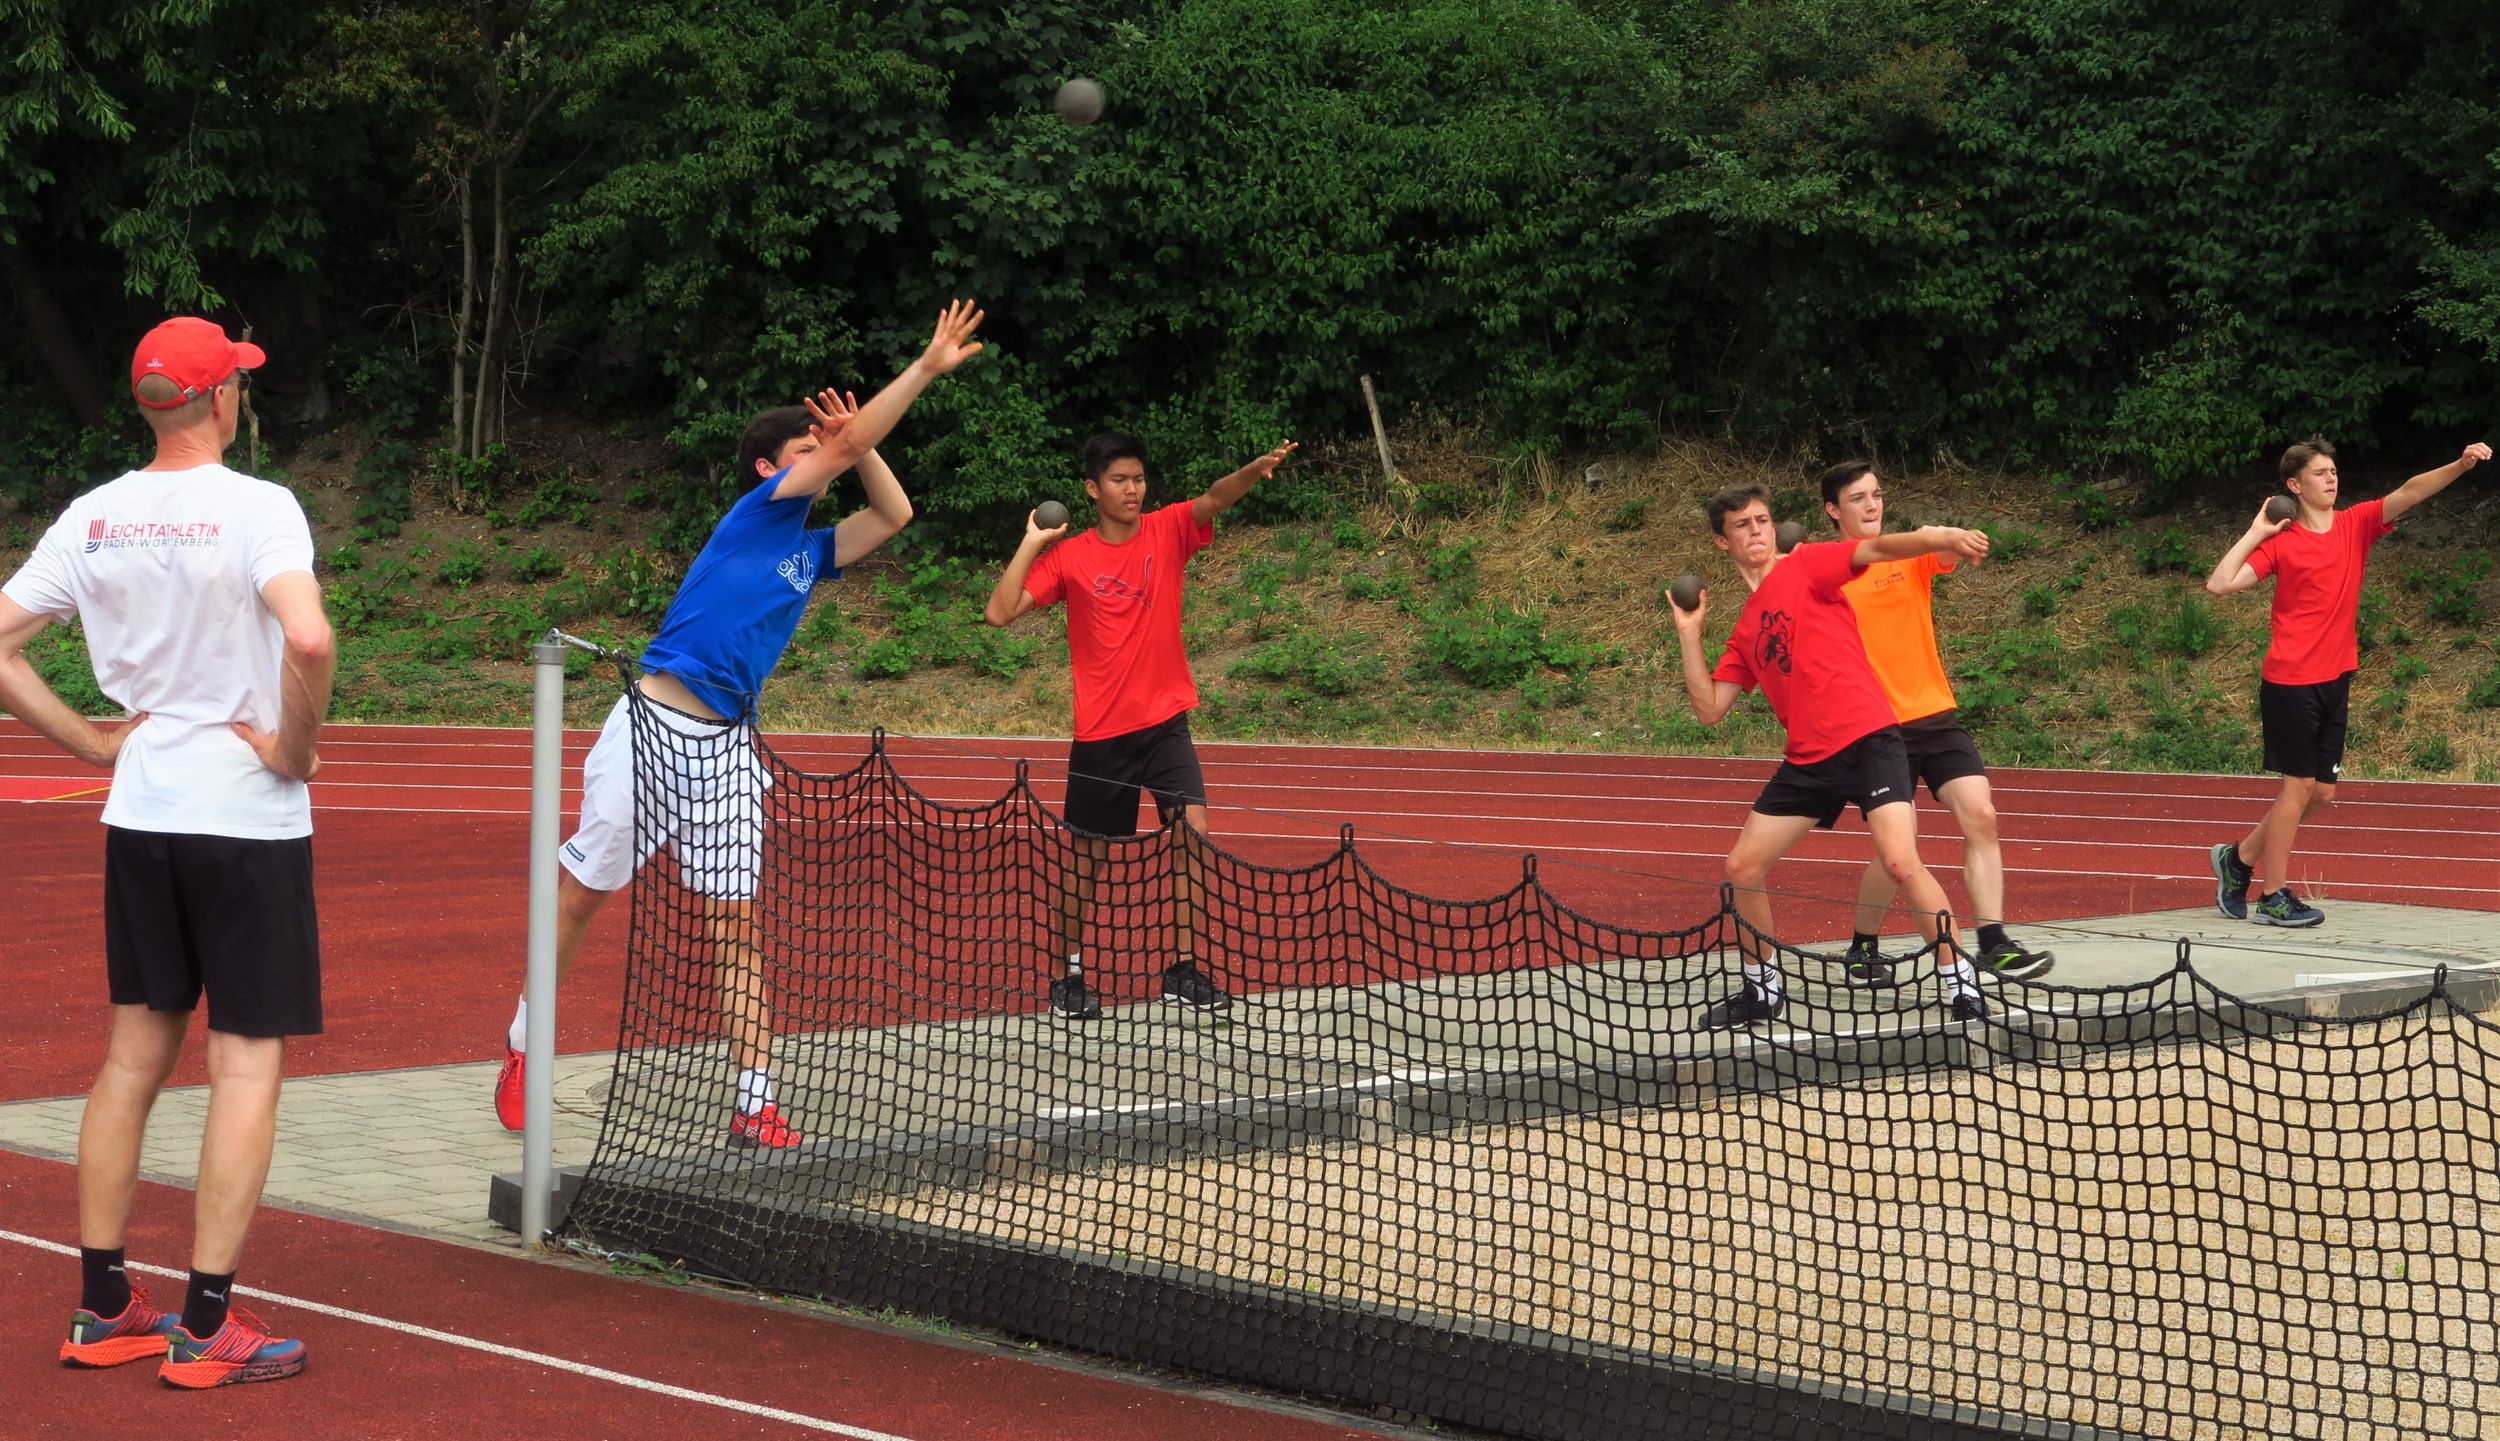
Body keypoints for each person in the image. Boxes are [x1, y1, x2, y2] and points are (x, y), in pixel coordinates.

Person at [492, 300, 987, 1144]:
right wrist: (921, 370)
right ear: (769, 468)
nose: (824, 456)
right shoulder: (756, 514)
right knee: (579, 901)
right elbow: (840, 451)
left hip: (727, 751)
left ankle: (756, 1101)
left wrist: (859, 445)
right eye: (808, 449)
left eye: (825, 448)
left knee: (738, 927)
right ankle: (524, 1045)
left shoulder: (811, 549)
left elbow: (894, 516)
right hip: (651, 730)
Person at [1, 317, 332, 1387]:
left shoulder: (93, 516)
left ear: (149, 404)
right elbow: (311, 637)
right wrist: (296, 750)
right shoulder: (259, 507)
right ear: (221, 398)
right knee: (245, 1063)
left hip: (143, 813)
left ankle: (104, 1305)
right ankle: (206, 1324)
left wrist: (91, 741)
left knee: (130, 1059)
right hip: (245, 819)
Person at [982, 432, 1297, 1020]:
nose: (1133, 489)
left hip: (1166, 723)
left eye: (1139, 478)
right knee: (1087, 861)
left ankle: (1182, 969)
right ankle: (1067, 976)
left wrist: (1253, 470)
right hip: (1103, 735)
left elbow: (1214, 497)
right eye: (1119, 480)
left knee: (1193, 832)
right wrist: (1032, 541)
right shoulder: (1070, 557)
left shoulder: (1167, 529)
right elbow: (999, 613)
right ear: (1092, 489)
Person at [1670, 484, 1992, 1027]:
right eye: (1743, 524)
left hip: (1869, 738)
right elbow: (1708, 709)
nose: (1757, 530)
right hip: (1810, 759)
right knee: (1742, 867)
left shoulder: (1807, 565)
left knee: (1900, 861)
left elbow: (1879, 548)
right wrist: (1689, 633)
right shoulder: (1746, 628)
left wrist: (1941, 537)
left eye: (1763, 520)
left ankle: (1962, 985)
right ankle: (1763, 990)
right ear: (1722, 542)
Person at [2203, 437, 2488, 926]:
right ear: (2294, 486)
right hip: (2291, 680)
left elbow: (2410, 491)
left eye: (2333, 471)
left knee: (2321, 795)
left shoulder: (2356, 524)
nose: (2331, 478)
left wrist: (2460, 466)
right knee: (2297, 788)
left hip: (2335, 677)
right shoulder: (2282, 542)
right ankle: (2273, 896)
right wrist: (2256, 532)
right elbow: (2219, 583)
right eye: (2319, 473)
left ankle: (2239, 858)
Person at [1819, 461, 2052, 986]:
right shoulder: (1828, 572)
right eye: (1858, 498)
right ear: (1833, 510)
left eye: (1877, 494)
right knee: (1897, 850)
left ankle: (1993, 943)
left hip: (1935, 714)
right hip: (1877, 727)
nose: (1872, 505)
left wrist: (1956, 539)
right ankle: (1862, 946)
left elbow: (1942, 547)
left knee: (1981, 815)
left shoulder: (1910, 552)